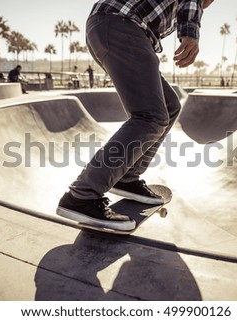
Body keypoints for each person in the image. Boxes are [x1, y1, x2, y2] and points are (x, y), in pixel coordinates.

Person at [57, 0, 215, 231]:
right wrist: (190, 33)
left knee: (169, 107)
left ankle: (127, 177)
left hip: (114, 26)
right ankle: (83, 194)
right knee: (150, 115)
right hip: (121, 24)